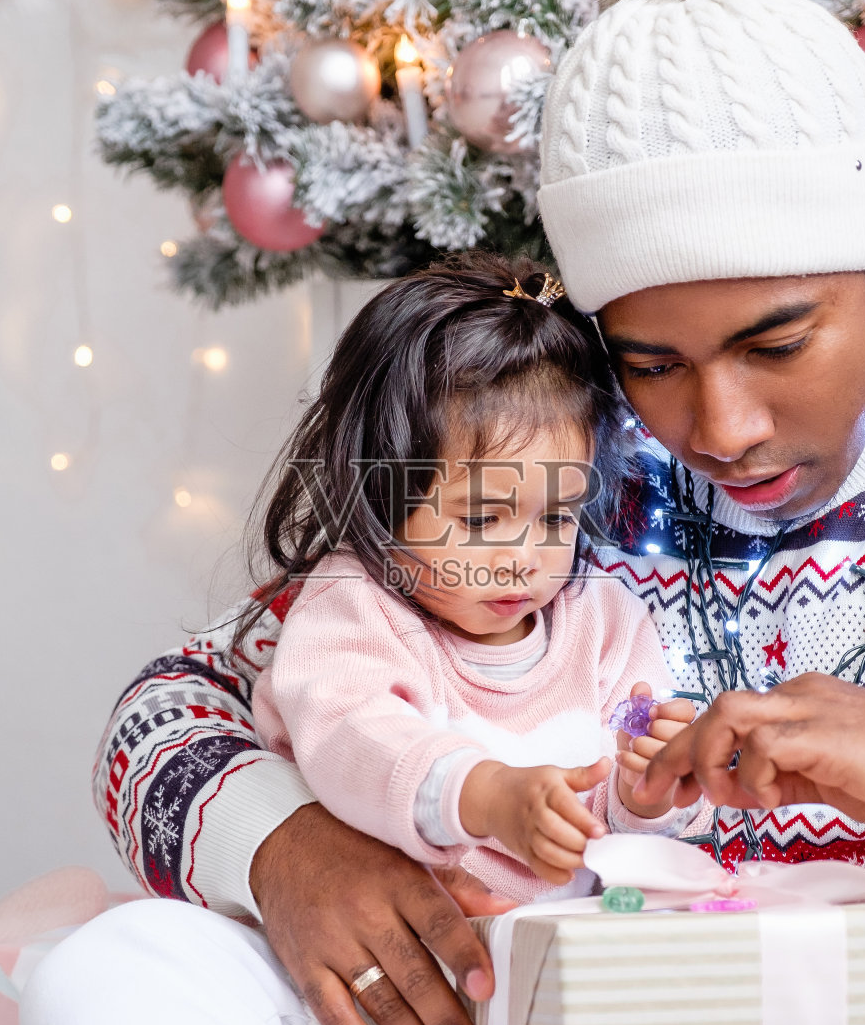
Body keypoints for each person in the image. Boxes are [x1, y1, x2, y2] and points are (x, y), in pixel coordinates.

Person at [24, 0, 865, 1025]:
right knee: (128, 958)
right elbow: (161, 712)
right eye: (651, 359)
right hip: (576, 1017)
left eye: (776, 343)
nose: (715, 421)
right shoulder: (550, 458)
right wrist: (285, 849)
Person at [244, 254, 698, 902]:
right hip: (386, 958)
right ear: (382, 493)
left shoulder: (606, 625)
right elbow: (351, 737)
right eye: (483, 517)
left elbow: (616, 824)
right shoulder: (354, 606)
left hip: (545, 960)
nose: (522, 557)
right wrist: (485, 794)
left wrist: (645, 792)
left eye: (556, 516)